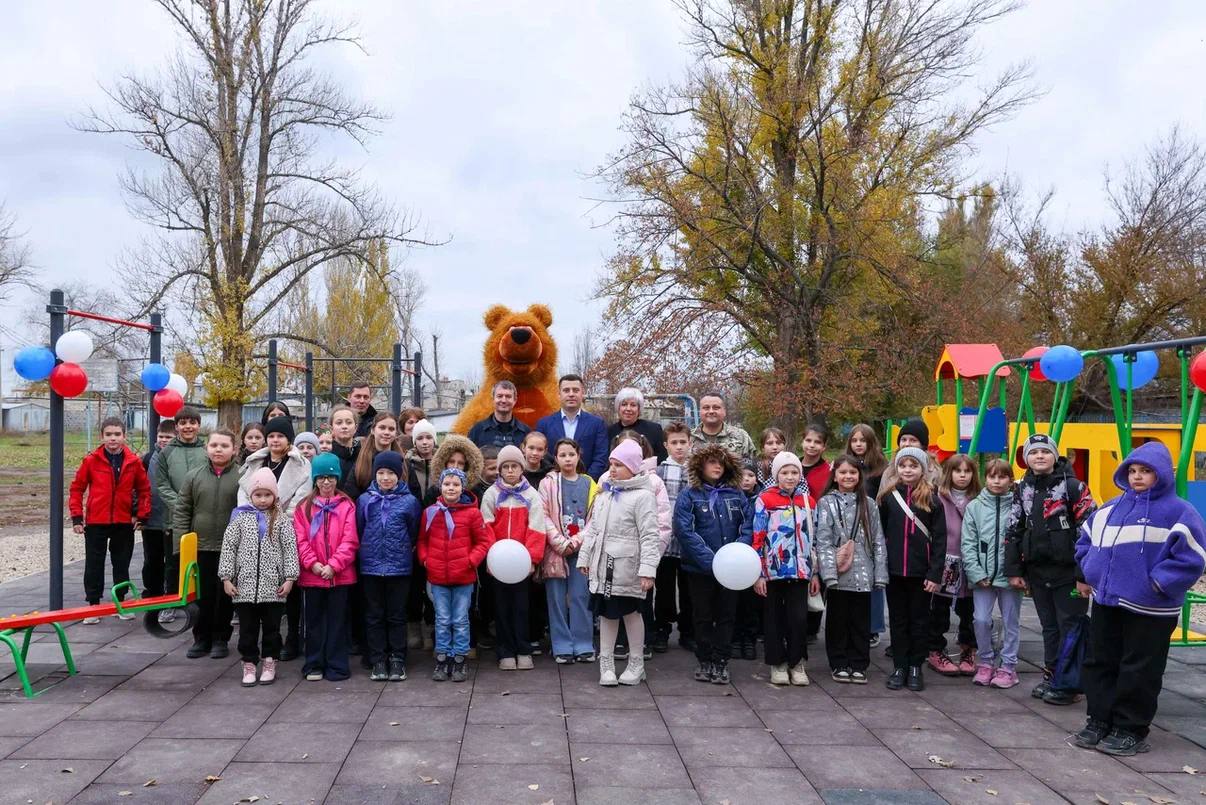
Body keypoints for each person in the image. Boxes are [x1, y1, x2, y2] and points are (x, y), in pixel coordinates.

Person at [1073, 441, 1206, 756]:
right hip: (1108, 602)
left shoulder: (1179, 512)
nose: (1137, 476)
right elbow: (1085, 541)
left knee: (1140, 668)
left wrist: (1158, 584)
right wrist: (1089, 570)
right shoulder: (1110, 509)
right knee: (1100, 662)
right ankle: (1099, 719)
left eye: (1146, 471)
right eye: (1132, 470)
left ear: (1161, 474)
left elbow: (1193, 557)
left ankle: (1130, 727)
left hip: (1151, 608)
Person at [1004, 433, 1096, 705]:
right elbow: (1014, 528)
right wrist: (1014, 569)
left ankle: (1071, 683)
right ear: (1026, 458)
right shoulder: (1022, 488)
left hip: (1069, 572)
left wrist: (1084, 575)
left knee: (1072, 625)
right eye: (1034, 452)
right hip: (1038, 569)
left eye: (1045, 451)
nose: (1040, 456)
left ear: (1055, 456)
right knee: (1049, 627)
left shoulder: (1074, 487)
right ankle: (1053, 675)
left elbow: (1089, 531)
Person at [577, 439, 662, 686]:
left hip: (628, 569)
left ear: (634, 467)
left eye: (620, 465)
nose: (613, 469)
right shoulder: (605, 493)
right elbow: (593, 529)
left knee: (632, 614)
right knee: (606, 615)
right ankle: (606, 663)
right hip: (603, 568)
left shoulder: (643, 496)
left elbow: (649, 535)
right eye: (611, 464)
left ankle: (637, 663)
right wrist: (585, 557)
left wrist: (648, 570)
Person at [674, 443, 754, 685]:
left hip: (732, 572)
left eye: (721, 462)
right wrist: (712, 562)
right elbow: (685, 531)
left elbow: (747, 527)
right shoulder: (689, 495)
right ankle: (705, 659)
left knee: (727, 615)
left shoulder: (737, 495)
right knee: (703, 615)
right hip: (700, 569)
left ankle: (721, 660)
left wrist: (733, 559)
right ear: (700, 466)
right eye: (711, 462)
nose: (717, 466)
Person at [239, 415, 312, 660]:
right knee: (259, 589)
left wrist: (277, 519)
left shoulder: (300, 465)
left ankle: (292, 637)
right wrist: (252, 519)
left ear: (288, 439)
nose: (275, 440)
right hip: (253, 533)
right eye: (271, 436)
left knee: (286, 589)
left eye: (280, 436)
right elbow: (244, 495)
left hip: (284, 531)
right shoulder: (255, 463)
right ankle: (260, 641)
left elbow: (302, 499)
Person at [219, 467, 299, 687]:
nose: (262, 500)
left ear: (274, 495)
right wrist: (227, 577)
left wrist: (290, 578)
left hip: (273, 587)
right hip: (244, 587)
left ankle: (270, 660)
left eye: (267, 495)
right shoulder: (240, 518)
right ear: (251, 496)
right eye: (258, 495)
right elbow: (229, 548)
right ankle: (249, 662)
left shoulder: (282, 520)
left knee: (272, 629)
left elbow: (290, 549)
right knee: (247, 629)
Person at [877, 446, 946, 691]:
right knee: (897, 619)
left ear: (923, 469)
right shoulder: (887, 497)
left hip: (921, 572)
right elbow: (881, 533)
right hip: (895, 571)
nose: (908, 470)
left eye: (913, 465)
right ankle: (900, 665)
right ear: (897, 468)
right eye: (903, 465)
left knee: (919, 620)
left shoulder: (933, 499)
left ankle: (916, 665)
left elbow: (940, 539)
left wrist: (935, 573)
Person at [69, 416, 150, 622]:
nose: (113, 439)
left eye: (117, 434)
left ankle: (120, 602)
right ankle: (93, 605)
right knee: (94, 564)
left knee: (121, 563)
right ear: (102, 436)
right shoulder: (91, 460)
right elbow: (77, 488)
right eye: (108, 435)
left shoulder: (133, 462)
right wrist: (77, 517)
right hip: (96, 521)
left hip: (123, 522)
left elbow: (144, 489)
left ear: (124, 436)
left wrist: (141, 515)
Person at [751, 451, 820, 686]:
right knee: (773, 618)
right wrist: (758, 573)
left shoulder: (808, 501)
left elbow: (814, 538)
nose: (790, 477)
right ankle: (777, 662)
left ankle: (797, 661)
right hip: (772, 571)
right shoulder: (765, 499)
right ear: (776, 474)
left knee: (799, 619)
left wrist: (815, 573)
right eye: (785, 472)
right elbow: (758, 536)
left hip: (800, 570)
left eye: (794, 472)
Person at [817, 455, 887, 685]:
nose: (848, 476)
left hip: (863, 572)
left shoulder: (869, 504)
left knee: (860, 621)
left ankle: (858, 663)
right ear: (835, 476)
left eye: (853, 473)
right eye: (843, 472)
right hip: (838, 572)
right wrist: (828, 574)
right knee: (837, 620)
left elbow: (878, 540)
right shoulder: (826, 503)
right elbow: (823, 540)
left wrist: (880, 574)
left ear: (860, 476)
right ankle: (838, 662)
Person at [420, 468, 494, 683]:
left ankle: (460, 659)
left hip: (463, 577)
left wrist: (470, 561)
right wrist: (426, 560)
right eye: (447, 484)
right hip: (438, 577)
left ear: (462, 488)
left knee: (461, 619)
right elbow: (422, 541)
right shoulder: (431, 512)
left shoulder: (472, 513)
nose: (451, 488)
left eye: (455, 484)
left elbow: (483, 542)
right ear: (440, 486)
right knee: (442, 619)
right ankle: (443, 658)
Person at [174, 429, 241, 659]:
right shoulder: (194, 476)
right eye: (214, 445)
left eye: (224, 445)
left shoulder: (241, 477)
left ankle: (221, 638)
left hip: (230, 548)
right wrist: (181, 545)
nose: (219, 450)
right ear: (206, 448)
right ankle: (201, 638)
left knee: (225, 597)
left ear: (235, 449)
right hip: (200, 547)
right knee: (201, 596)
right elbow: (182, 510)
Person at [356, 451, 422, 682]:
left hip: (399, 567)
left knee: (396, 615)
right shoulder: (365, 500)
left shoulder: (409, 501)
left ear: (399, 475)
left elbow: (413, 531)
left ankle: (397, 658)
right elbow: (360, 528)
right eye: (381, 473)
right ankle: (378, 659)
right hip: (371, 567)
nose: (386, 478)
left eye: (391, 473)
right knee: (374, 615)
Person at [480, 445, 547, 670]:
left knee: (521, 607)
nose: (510, 471)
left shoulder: (531, 495)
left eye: (514, 466)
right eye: (505, 467)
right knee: (501, 607)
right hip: (499, 564)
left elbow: (537, 528)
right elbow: (486, 527)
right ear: (499, 469)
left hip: (522, 564)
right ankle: (505, 650)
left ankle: (523, 648)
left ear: (522, 468)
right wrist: (491, 558)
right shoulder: (491, 494)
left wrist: (532, 560)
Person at [294, 453, 359, 682]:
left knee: (337, 621)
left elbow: (350, 540)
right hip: (313, 576)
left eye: (331, 477)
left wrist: (333, 565)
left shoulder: (347, 506)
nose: (326, 482)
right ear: (315, 479)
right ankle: (314, 663)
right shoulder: (304, 507)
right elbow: (300, 540)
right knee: (314, 622)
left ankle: (337, 664)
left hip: (340, 576)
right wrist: (313, 564)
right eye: (321, 477)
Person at [961, 458, 1021, 689]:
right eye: (992, 476)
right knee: (981, 619)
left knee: (1011, 621)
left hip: (1010, 574)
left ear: (1010, 479)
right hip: (983, 576)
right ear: (985, 478)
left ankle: (1008, 667)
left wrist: (1018, 570)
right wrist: (975, 572)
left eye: (1002, 476)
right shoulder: (975, 507)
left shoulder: (1018, 505)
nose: (997, 481)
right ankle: (985, 661)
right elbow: (969, 543)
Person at [539, 439, 597, 664]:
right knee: (556, 598)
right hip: (555, 550)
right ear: (556, 457)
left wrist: (577, 541)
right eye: (562, 455)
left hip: (581, 550)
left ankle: (583, 644)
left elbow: (594, 518)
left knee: (581, 596)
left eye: (571, 454)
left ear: (578, 455)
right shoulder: (548, 483)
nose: (567, 459)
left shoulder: (590, 483)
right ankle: (561, 645)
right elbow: (542, 514)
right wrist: (559, 542)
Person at [927, 454, 980, 677]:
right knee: (939, 608)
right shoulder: (937, 497)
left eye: (967, 471)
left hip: (969, 560)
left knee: (970, 609)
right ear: (949, 473)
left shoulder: (978, 499)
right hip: (945, 560)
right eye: (957, 471)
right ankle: (936, 649)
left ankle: (968, 648)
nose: (962, 476)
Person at [845, 423, 888, 646]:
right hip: (848, 529)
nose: (859, 444)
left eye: (863, 440)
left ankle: (872, 626)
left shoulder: (881, 468)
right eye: (854, 440)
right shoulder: (845, 465)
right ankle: (849, 623)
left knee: (872, 580)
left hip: (871, 529)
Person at [654, 421, 694, 652]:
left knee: (689, 589)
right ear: (666, 445)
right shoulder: (659, 471)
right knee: (665, 588)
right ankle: (662, 628)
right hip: (666, 542)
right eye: (674, 443)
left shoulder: (697, 470)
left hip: (689, 542)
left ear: (690, 444)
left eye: (683, 442)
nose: (679, 447)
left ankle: (688, 631)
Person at [156, 406, 208, 560]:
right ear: (177, 426)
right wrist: (180, 505)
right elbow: (162, 484)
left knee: (199, 563)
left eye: (192, 422)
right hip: (174, 519)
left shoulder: (206, 451)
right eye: (183, 423)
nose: (188, 426)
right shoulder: (166, 452)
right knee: (174, 564)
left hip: (201, 517)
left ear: (198, 425)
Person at [536, 374, 610, 478]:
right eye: (566, 390)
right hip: (553, 485)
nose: (571, 394)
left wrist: (585, 482)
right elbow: (541, 455)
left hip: (587, 485)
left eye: (575, 390)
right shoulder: (544, 424)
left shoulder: (597, 424)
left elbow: (601, 457)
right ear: (559, 394)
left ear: (582, 393)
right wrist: (554, 479)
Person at [141, 419, 178, 610]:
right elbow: (138, 487)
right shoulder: (148, 459)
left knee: (173, 561)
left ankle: (171, 595)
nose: (164, 440)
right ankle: (152, 593)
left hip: (172, 520)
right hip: (151, 519)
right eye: (161, 436)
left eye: (169, 437)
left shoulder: (178, 458)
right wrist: (138, 513)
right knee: (151, 560)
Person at [606, 387, 668, 465]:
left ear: (639, 409)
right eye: (624, 404)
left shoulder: (654, 430)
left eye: (633, 405)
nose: (628, 409)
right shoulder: (609, 431)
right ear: (618, 408)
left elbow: (662, 460)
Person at [689, 393, 756, 460]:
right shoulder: (689, 437)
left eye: (716, 408)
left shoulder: (741, 436)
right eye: (706, 408)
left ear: (724, 411)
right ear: (700, 412)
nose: (711, 411)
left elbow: (753, 465)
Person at [467, 380, 532, 448]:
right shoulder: (477, 431)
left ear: (515, 400)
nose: (503, 400)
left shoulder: (525, 432)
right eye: (499, 396)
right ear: (493, 399)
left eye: (508, 396)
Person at [326, 405, 360, 492]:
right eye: (339, 423)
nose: (344, 426)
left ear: (355, 428)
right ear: (331, 428)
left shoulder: (363, 455)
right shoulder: (326, 456)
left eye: (349, 422)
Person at [406, 419, 439, 500]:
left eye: (429, 437)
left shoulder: (443, 464)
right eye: (420, 438)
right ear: (414, 442)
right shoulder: (407, 464)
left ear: (434, 441)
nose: (424, 442)